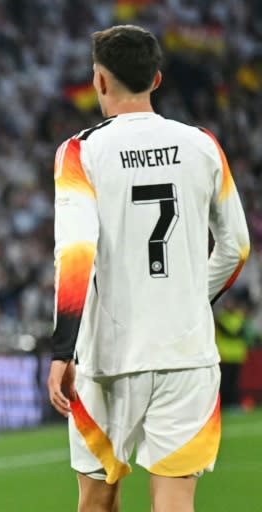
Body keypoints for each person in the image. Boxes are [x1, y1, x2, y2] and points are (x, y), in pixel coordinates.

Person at [46, 25, 250, 512]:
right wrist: (185, 300)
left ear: (99, 81)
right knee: (176, 504)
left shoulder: (81, 151)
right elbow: (236, 247)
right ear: (156, 79)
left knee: (97, 501)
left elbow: (76, 250)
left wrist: (62, 348)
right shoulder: (202, 145)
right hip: (187, 353)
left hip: (109, 356)